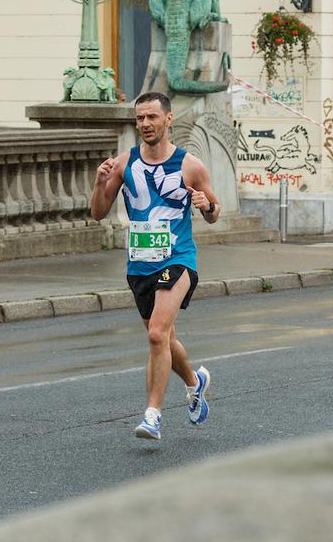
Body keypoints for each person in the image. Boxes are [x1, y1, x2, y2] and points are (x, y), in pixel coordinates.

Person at [90, 91, 220, 440]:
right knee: (165, 339)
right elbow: (98, 213)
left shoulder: (190, 165)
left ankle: (153, 415)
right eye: (140, 119)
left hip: (178, 259)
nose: (145, 124)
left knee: (156, 334)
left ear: (168, 119)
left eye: (151, 117)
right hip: (140, 264)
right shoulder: (123, 163)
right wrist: (100, 182)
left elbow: (213, 214)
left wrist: (205, 204)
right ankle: (195, 384)